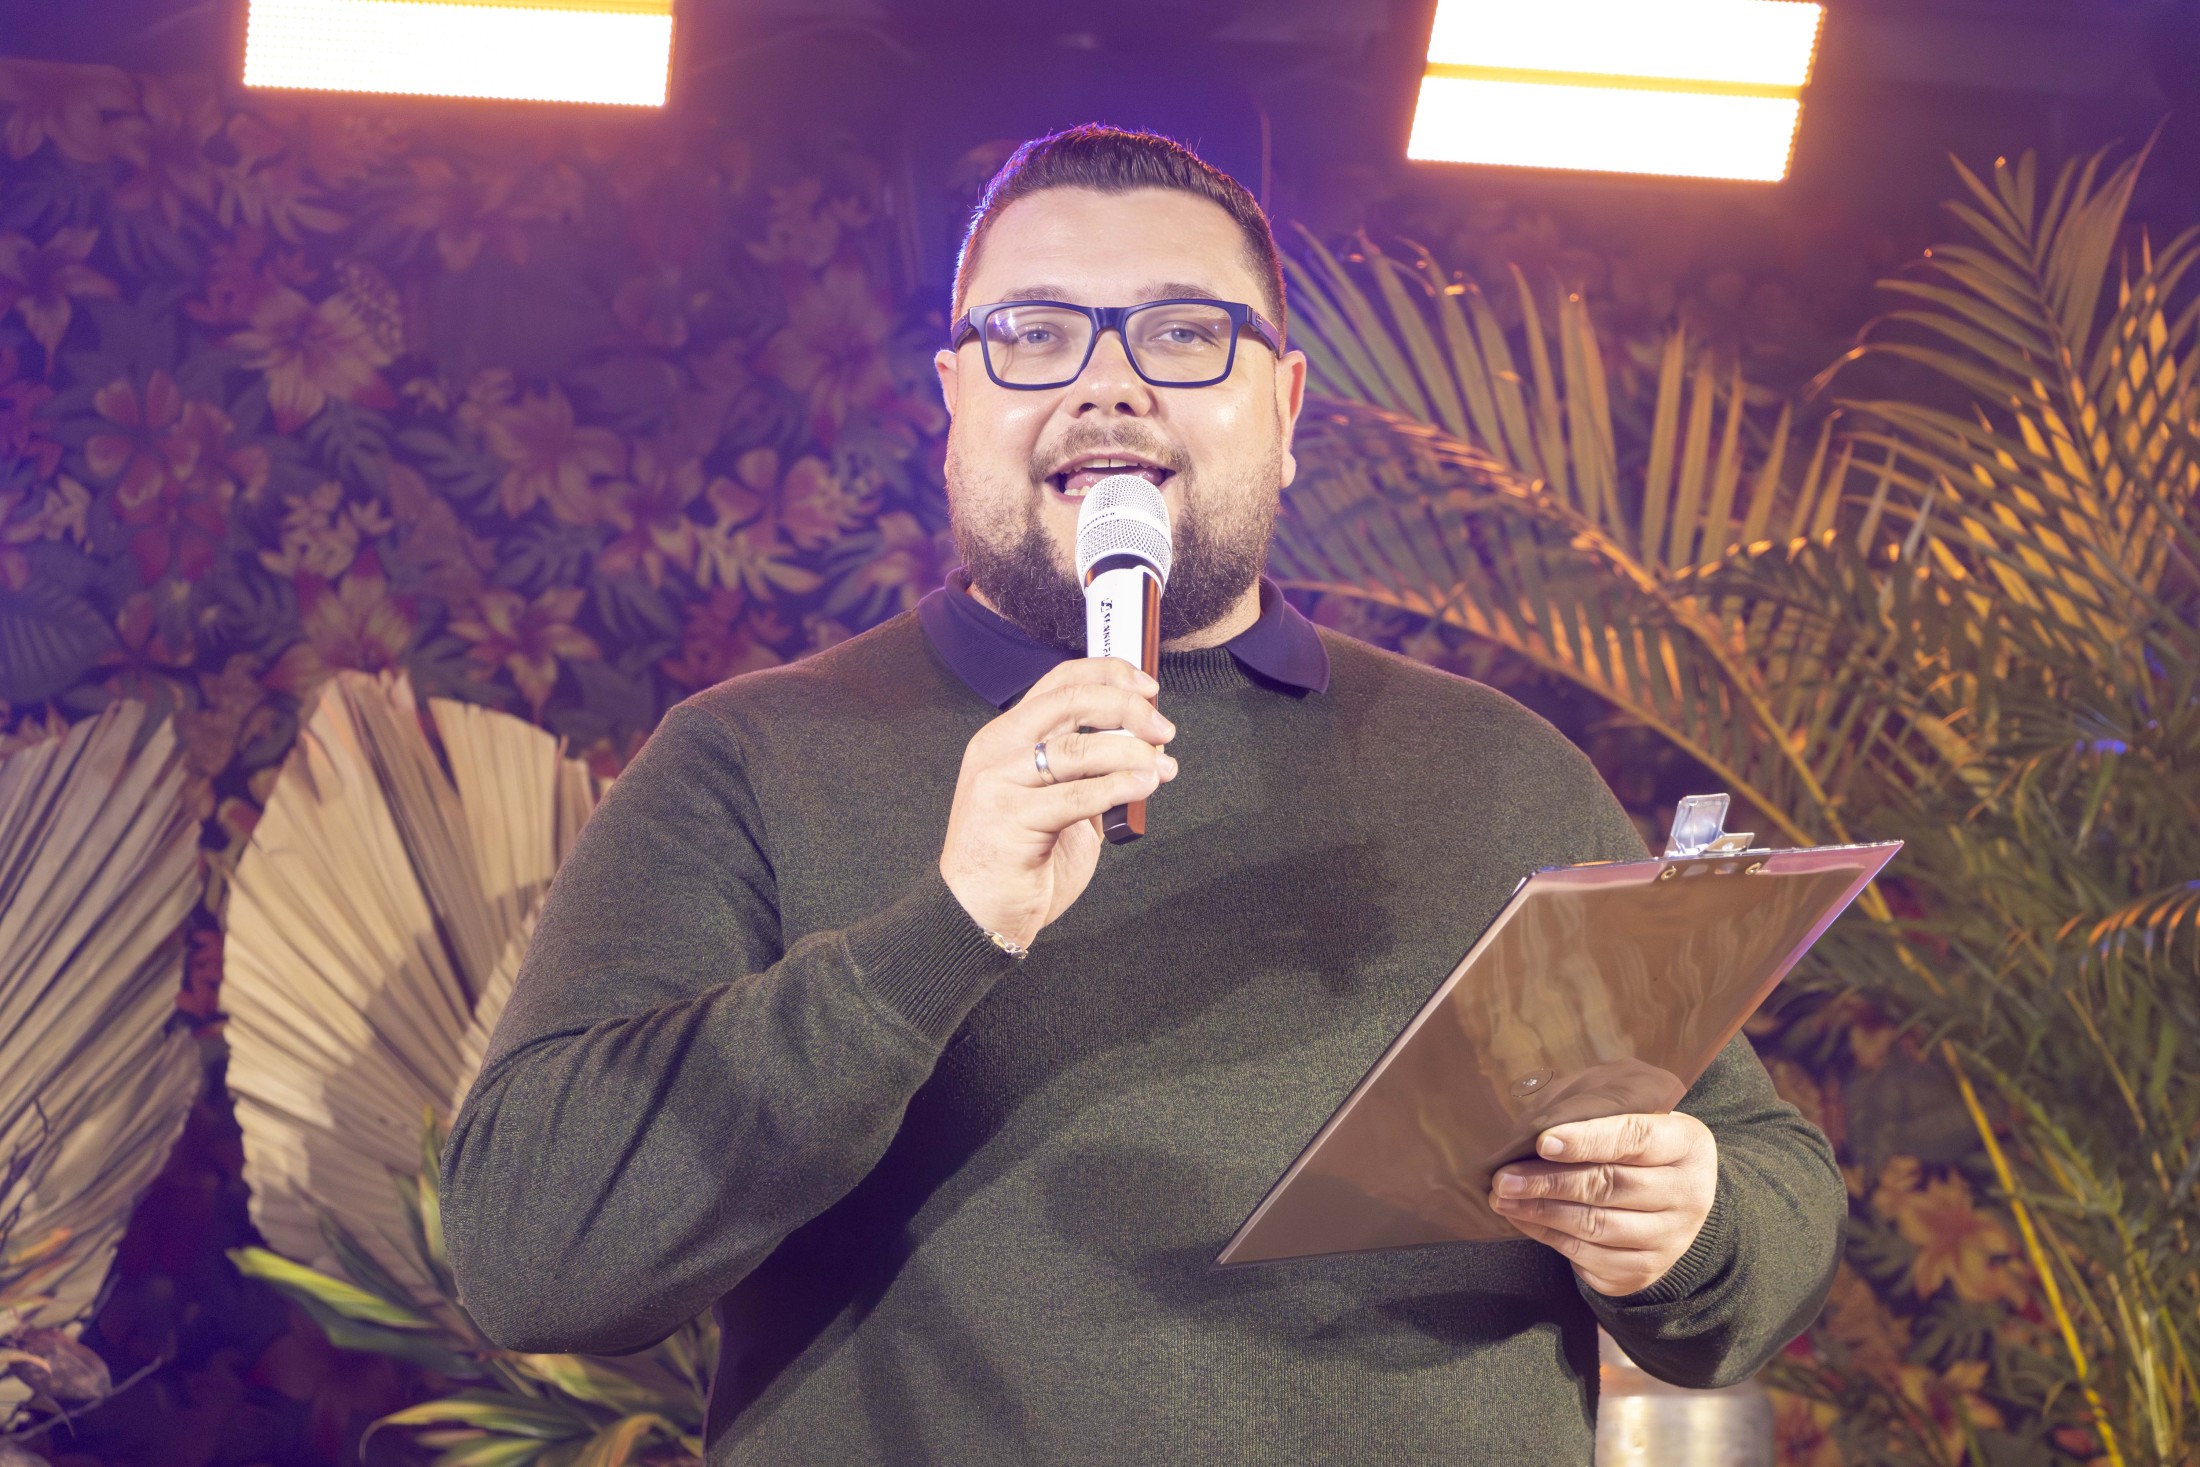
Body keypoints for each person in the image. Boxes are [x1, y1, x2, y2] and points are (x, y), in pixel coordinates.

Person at [440, 124, 1844, 1465]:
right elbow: (530, 1256)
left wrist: (1686, 1225)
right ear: (954, 404)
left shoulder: (1498, 769)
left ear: (1284, 409)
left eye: (1182, 333)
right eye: (1035, 333)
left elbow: (1759, 1191)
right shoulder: (749, 760)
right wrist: (943, 930)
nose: (1107, 386)